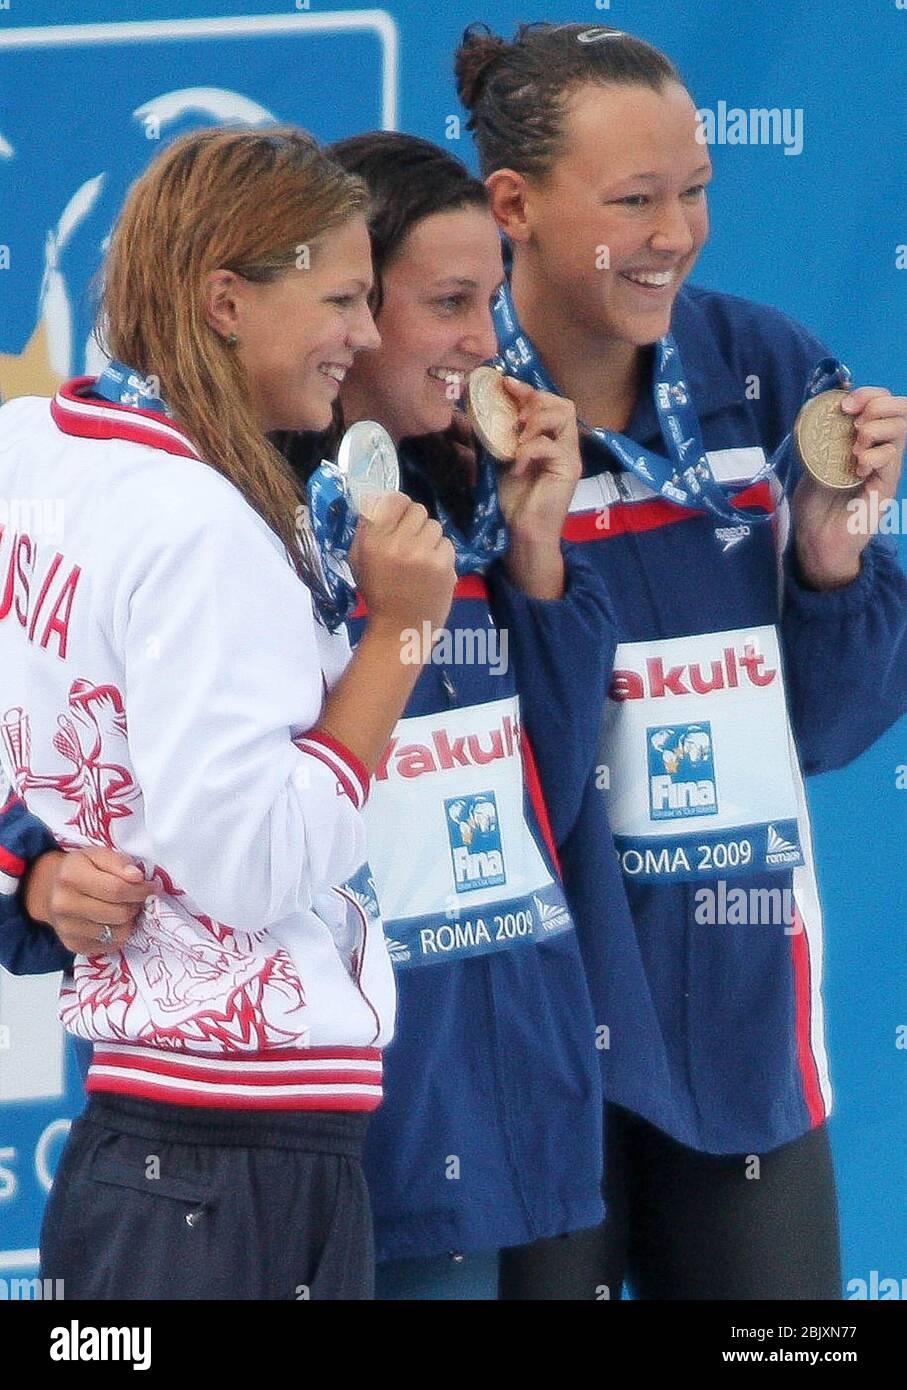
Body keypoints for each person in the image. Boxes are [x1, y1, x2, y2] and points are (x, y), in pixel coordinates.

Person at [2, 132, 617, 1300]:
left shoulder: (45, 444)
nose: (376, 335)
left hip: (250, 1132)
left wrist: (22, 868)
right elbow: (253, 860)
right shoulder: (217, 520)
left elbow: (544, 793)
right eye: (355, 299)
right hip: (240, 1144)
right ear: (226, 301)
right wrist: (396, 636)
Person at [454, 21, 907, 1299]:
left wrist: (827, 560)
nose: (677, 231)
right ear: (514, 204)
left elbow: (824, 730)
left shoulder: (763, 376)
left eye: (696, 190)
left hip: (738, 1015)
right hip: (527, 1025)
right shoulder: (446, 412)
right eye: (635, 200)